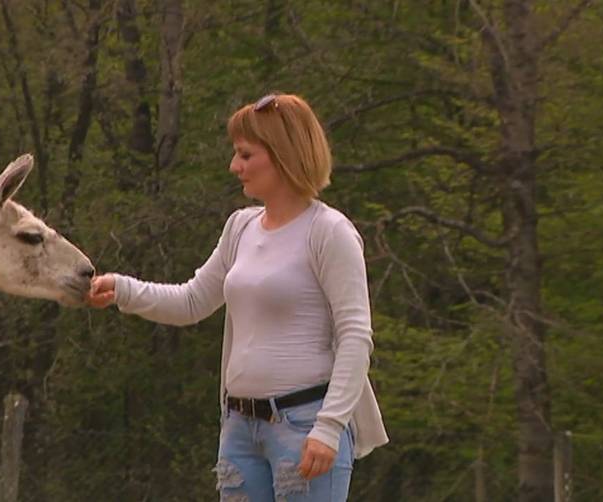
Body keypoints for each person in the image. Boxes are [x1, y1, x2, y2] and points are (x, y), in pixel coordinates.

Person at [86, 93, 388, 501]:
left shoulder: (329, 232)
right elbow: (192, 301)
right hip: (240, 428)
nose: (235, 166)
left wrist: (329, 427)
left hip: (304, 426)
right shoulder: (240, 228)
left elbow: (356, 335)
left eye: (246, 155)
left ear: (283, 155)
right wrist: (123, 289)